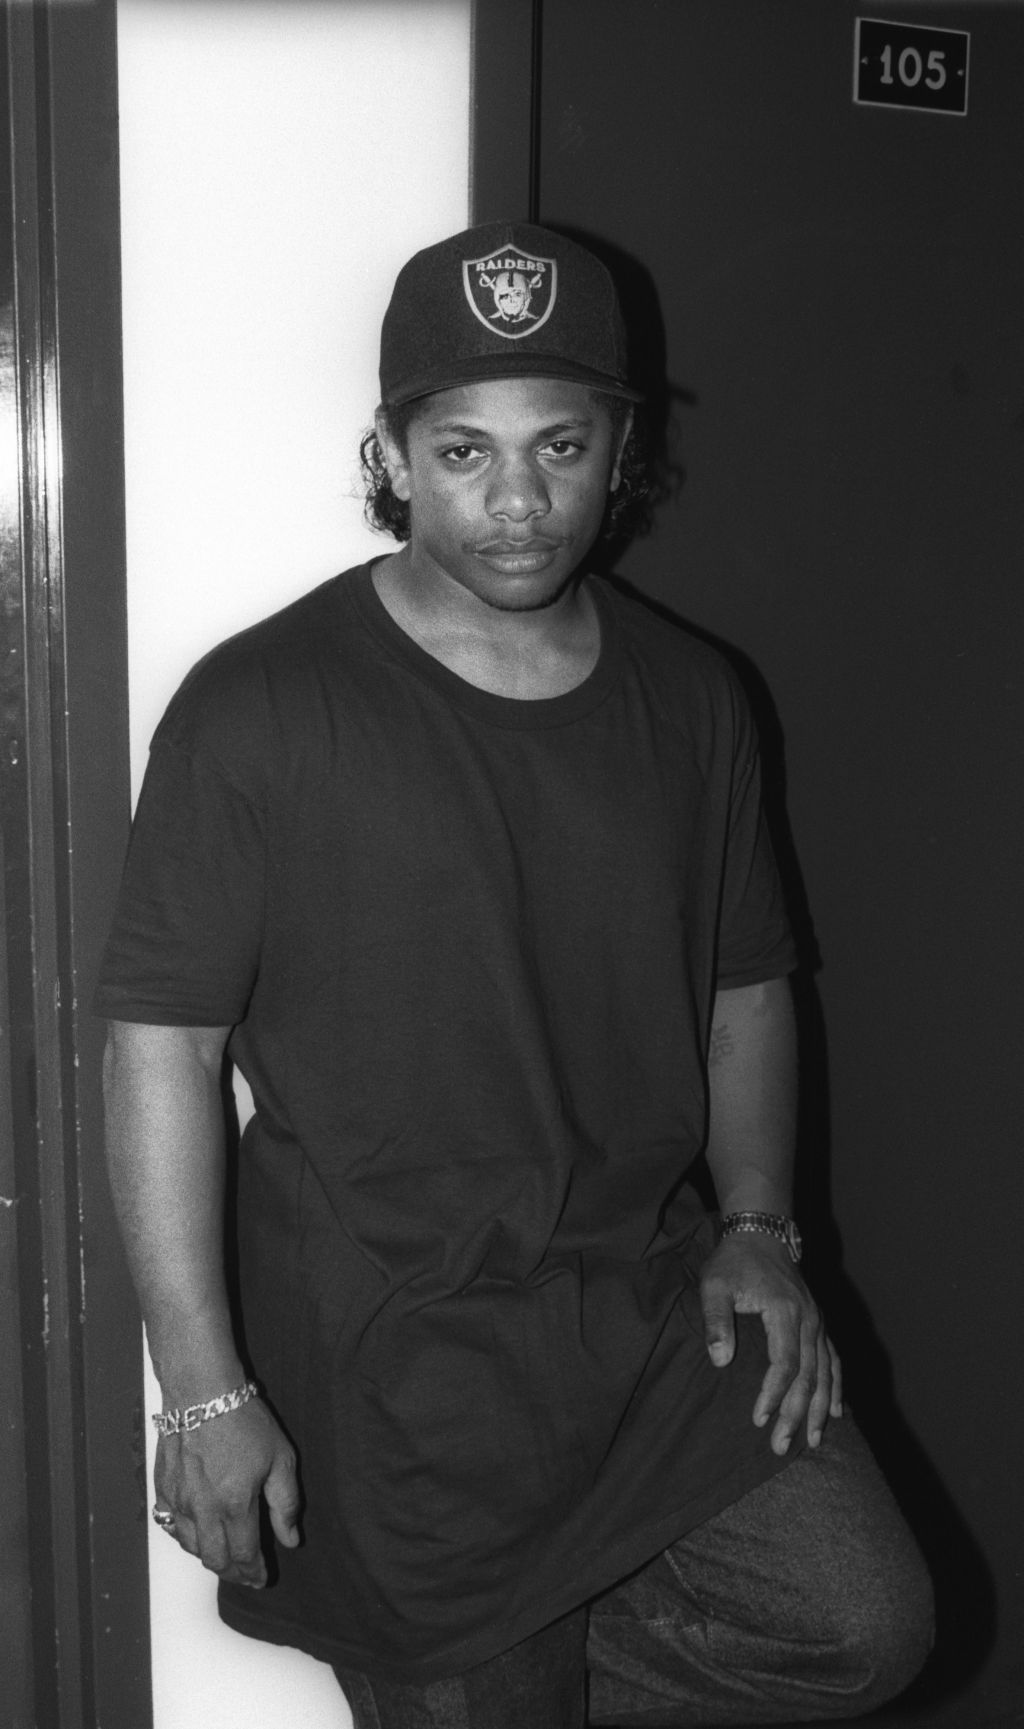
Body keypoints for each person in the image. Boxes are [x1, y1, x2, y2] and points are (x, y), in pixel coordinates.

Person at [96, 221, 933, 1728]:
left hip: (644, 1314)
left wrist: (759, 1224)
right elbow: (160, 1045)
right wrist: (204, 1387)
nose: (518, 500)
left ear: (623, 449)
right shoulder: (260, 706)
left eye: (560, 444)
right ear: (392, 455)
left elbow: (747, 989)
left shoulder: (696, 699)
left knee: (862, 1625)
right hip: (395, 1355)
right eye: (464, 451)